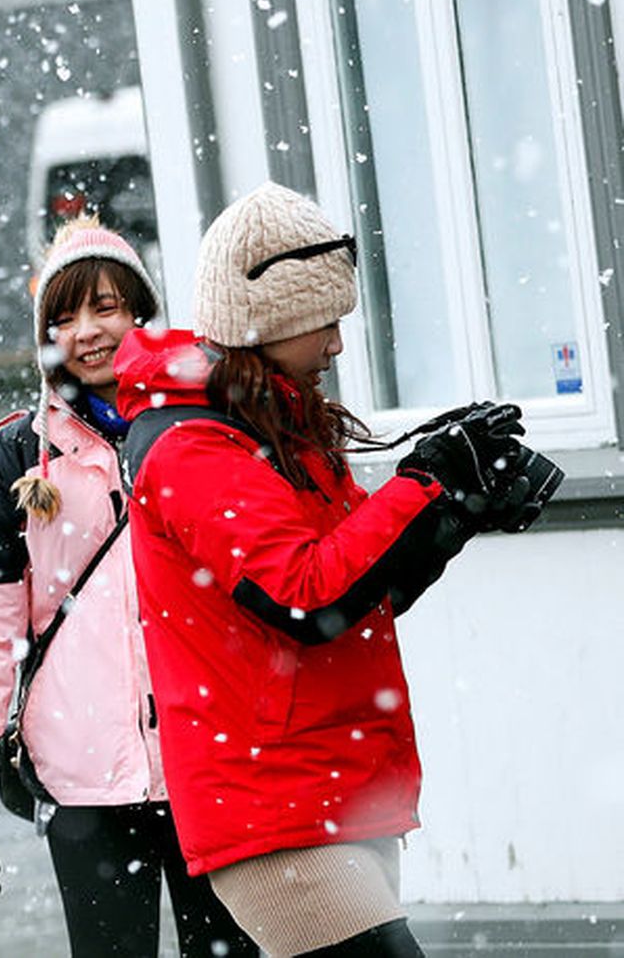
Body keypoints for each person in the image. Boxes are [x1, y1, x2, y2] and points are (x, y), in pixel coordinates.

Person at [114, 183, 535, 956]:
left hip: (334, 787)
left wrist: (456, 515)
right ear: (262, 325)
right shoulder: (192, 448)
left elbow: (362, 593)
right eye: (323, 324)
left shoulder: (278, 425)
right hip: (271, 807)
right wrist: (427, 480)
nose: (337, 347)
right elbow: (307, 598)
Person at [0, 217, 257, 956]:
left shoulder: (204, 423)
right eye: (65, 315)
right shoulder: (16, 454)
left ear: (140, 310)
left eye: (105, 306)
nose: (88, 331)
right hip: (84, 777)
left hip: (211, 758)